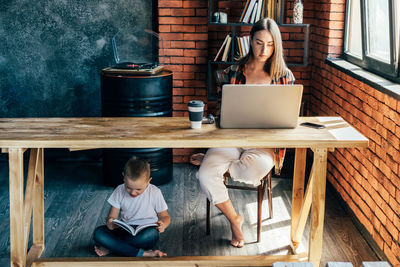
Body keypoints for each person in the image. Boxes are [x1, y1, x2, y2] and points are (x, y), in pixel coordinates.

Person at [197, 18, 295, 248]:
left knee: (252, 173)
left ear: (276, 45)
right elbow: (223, 111)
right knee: (204, 176)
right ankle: (235, 219)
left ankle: (211, 162)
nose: (264, 50)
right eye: (259, 43)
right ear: (250, 41)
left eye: (270, 45)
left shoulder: (284, 76)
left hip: (263, 143)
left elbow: (287, 118)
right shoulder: (233, 71)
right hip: (232, 138)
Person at [93, 157, 170, 257]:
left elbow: (165, 217)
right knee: (98, 233)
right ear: (123, 177)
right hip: (126, 230)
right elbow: (112, 216)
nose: (133, 192)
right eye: (128, 187)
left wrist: (163, 224)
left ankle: (114, 247)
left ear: (148, 181)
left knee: (151, 235)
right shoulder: (119, 190)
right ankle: (143, 253)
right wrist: (110, 223)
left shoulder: (155, 192)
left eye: (138, 189)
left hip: (145, 232)